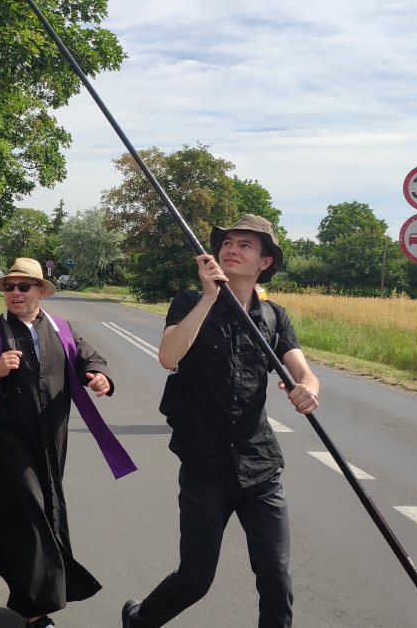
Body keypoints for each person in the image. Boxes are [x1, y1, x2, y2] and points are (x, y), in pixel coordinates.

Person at [121, 215, 320, 628]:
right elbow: (168, 356)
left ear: (264, 262)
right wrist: (209, 297)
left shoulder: (273, 317)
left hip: (260, 466)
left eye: (245, 245)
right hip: (205, 467)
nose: (232, 249)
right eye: (228, 242)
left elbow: (303, 371)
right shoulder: (188, 302)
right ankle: (140, 620)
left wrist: (308, 389)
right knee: (195, 579)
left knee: (277, 581)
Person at [0, 258, 114, 628]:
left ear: (40, 292)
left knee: (17, 508)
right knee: (31, 514)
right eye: (9, 287)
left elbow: (90, 360)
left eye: (23, 286)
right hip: (3, 442)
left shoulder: (61, 329)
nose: (15, 292)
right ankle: (35, 609)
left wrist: (99, 376)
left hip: (49, 439)